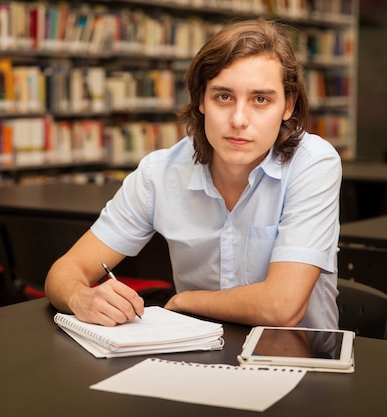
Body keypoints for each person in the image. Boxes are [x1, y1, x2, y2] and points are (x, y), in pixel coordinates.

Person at [45, 17, 342, 329]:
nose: (239, 119)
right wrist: (81, 297)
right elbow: (66, 269)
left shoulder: (312, 163)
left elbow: (281, 307)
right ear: (201, 100)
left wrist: (184, 300)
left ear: (288, 106)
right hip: (194, 358)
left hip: (300, 363)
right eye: (223, 97)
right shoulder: (160, 173)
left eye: (261, 99)